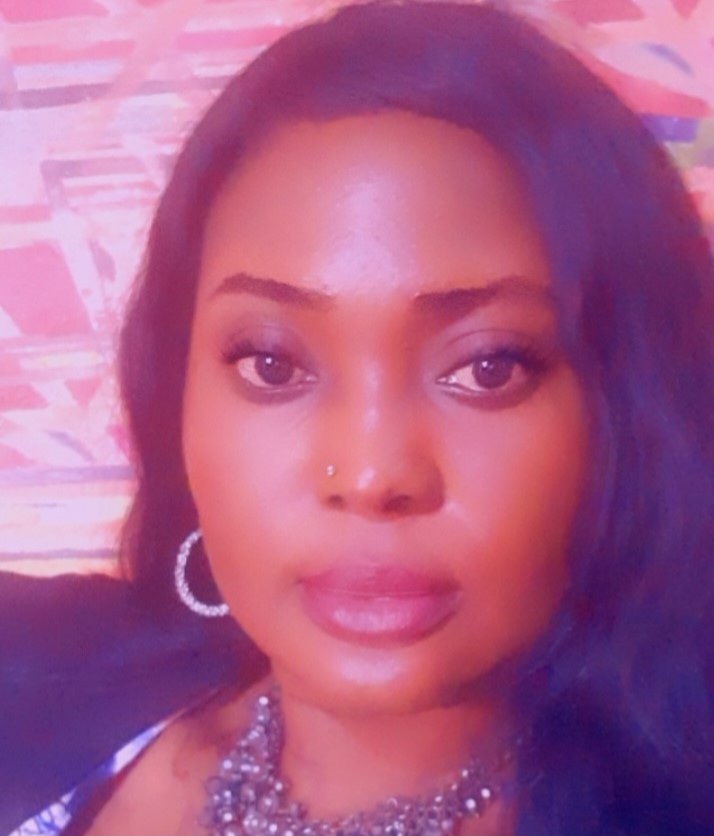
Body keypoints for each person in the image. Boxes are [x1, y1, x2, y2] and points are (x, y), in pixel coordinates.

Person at [2, 2, 713, 834]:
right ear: (177, 397)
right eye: (272, 365)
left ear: (629, 418)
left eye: (488, 367)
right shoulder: (30, 668)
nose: (372, 475)